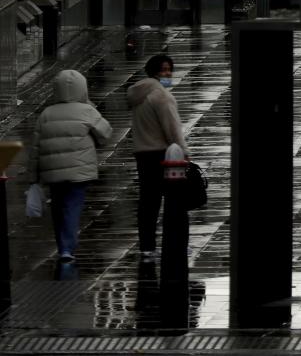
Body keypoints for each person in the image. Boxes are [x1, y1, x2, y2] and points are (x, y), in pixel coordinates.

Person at [28, 70, 113, 262]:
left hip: (52, 171)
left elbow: (35, 147)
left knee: (58, 207)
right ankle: (68, 247)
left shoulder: (46, 114)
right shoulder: (87, 110)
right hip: (79, 169)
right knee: (72, 206)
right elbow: (106, 133)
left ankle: (62, 246)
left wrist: (33, 177)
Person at [129, 54, 189, 260]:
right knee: (174, 200)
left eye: (170, 69)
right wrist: (184, 152)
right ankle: (175, 242)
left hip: (142, 153)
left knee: (148, 201)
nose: (168, 74)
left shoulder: (138, 95)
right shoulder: (162, 96)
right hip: (163, 155)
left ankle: (147, 245)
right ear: (154, 71)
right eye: (164, 70)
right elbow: (173, 129)